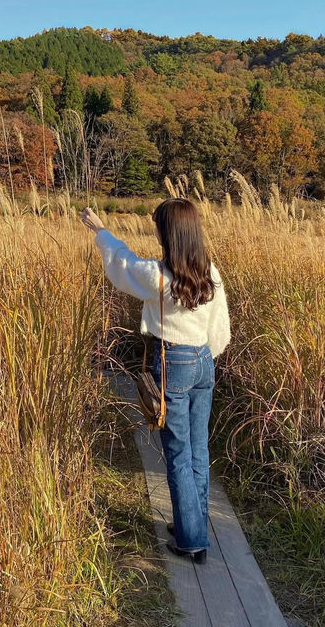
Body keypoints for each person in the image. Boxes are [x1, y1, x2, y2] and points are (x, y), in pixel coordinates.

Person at [80, 198, 231, 565]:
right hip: (202, 361)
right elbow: (219, 328)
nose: (154, 230)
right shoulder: (209, 272)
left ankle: (192, 541)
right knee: (198, 449)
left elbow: (123, 264)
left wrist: (102, 232)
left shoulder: (158, 276)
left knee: (178, 453)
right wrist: (205, 358)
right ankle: (191, 526)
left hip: (174, 359)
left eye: (157, 225)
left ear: (168, 233)